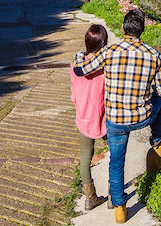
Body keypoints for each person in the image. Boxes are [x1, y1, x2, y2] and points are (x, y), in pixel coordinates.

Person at [73, 9, 161, 224]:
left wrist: (80, 55)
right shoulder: (154, 55)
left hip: (115, 120)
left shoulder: (109, 52)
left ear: (124, 28)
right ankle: (158, 139)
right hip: (142, 117)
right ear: (141, 30)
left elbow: (82, 71)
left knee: (116, 161)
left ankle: (119, 208)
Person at [70, 24, 109, 210]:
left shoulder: (76, 63)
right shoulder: (104, 68)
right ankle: (114, 196)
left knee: (85, 158)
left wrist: (79, 107)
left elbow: (73, 91)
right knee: (116, 155)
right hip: (104, 118)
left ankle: (90, 199)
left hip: (84, 118)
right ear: (103, 44)